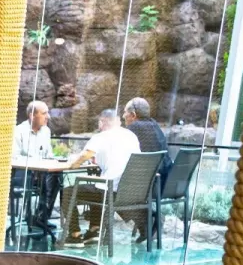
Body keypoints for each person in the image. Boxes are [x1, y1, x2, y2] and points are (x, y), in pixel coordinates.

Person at [61, 108, 140, 244]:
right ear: (118, 121)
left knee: (67, 192)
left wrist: (73, 164)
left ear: (102, 122)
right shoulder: (131, 136)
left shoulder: (101, 137)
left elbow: (85, 155)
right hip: (129, 192)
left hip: (110, 193)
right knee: (97, 185)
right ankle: (94, 230)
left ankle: (74, 236)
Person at [122, 97, 171, 242]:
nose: (123, 116)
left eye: (125, 112)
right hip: (163, 183)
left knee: (114, 194)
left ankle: (150, 218)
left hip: (148, 186)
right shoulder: (155, 126)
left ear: (133, 115)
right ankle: (148, 222)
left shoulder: (133, 129)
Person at [11, 100, 60, 232]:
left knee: (57, 175)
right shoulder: (19, 131)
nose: (48, 117)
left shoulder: (46, 131)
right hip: (22, 174)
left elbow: (48, 154)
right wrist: (35, 163)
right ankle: (39, 218)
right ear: (32, 116)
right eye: (44, 113)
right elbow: (14, 157)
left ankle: (42, 216)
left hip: (41, 174)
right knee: (48, 178)